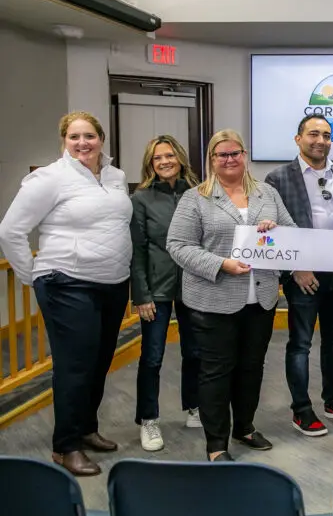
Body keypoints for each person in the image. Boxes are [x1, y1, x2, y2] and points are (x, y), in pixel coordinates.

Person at [0, 112, 131, 476]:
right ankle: (66, 446)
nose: (82, 143)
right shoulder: (49, 178)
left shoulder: (115, 176)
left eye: (89, 135)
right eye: (74, 136)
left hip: (114, 283)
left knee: (100, 360)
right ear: (64, 140)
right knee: (75, 367)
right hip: (67, 282)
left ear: (101, 139)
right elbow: (10, 231)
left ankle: (87, 428)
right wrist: (34, 276)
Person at [167, 129, 297, 462]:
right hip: (213, 299)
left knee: (252, 367)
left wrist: (276, 233)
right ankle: (216, 443)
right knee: (216, 371)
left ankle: (245, 426)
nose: (229, 159)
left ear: (244, 155)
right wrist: (221, 263)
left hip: (262, 298)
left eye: (235, 153)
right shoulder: (195, 197)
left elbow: (293, 236)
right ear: (211, 160)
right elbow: (178, 246)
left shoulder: (267, 193)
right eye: (221, 154)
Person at [266, 113, 333, 438]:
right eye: (313, 134)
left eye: (325, 135)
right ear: (298, 139)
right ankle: (301, 409)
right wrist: (295, 267)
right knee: (301, 344)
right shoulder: (278, 178)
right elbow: (273, 229)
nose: (320, 141)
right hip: (302, 274)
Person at [130, 134, 201, 453]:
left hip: (195, 284)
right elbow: (138, 249)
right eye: (157, 158)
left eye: (169, 155)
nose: (165, 162)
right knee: (153, 356)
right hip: (156, 288)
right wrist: (141, 294)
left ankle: (195, 407)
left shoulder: (198, 193)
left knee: (196, 351)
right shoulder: (141, 198)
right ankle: (148, 420)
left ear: (180, 158)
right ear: (150, 164)